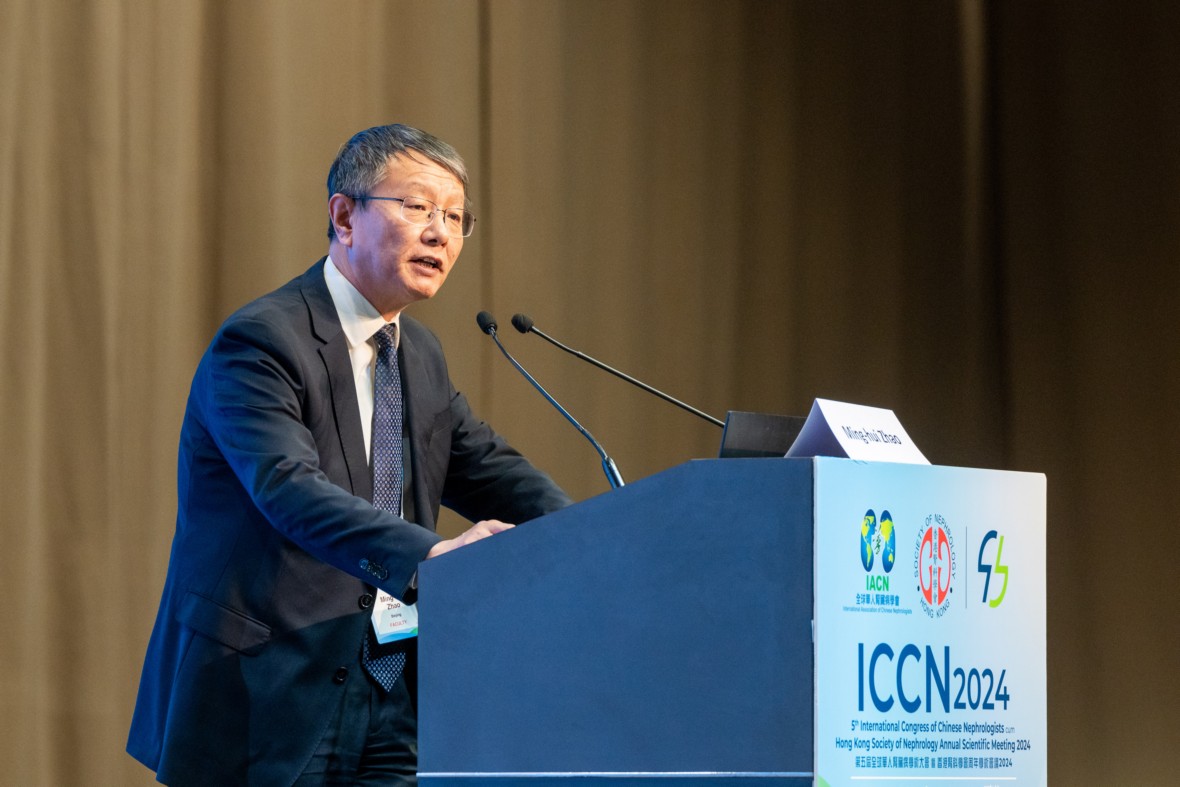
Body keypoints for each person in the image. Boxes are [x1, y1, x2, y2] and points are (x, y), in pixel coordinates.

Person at [127, 124, 572, 786]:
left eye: (455, 217)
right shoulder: (263, 341)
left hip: (391, 688)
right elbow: (289, 489)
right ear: (343, 216)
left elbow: (487, 467)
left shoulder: (419, 354)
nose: (440, 233)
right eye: (418, 206)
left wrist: (594, 533)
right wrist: (432, 556)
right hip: (270, 687)